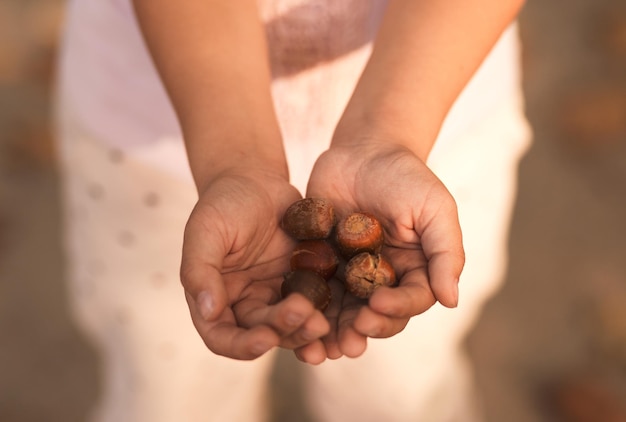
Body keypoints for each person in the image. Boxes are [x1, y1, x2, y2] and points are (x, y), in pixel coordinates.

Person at [55, 0, 532, 420]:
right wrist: (235, 161)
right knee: (170, 384)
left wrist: (389, 134)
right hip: (164, 141)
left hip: (434, 120)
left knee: (402, 387)